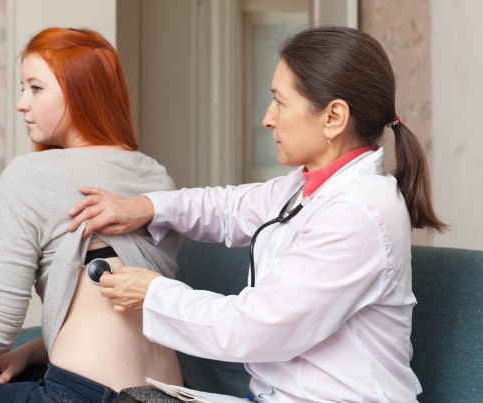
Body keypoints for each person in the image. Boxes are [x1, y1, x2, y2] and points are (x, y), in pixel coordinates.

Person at [68, 25, 446, 402]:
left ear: (333, 117)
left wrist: (151, 293)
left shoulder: (358, 213)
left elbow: (253, 328)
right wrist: (146, 207)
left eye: (280, 102)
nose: (268, 118)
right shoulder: (304, 185)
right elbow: (229, 208)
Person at [0, 27, 183, 403]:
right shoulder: (157, 176)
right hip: (167, 395)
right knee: (9, 370)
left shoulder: (31, 174)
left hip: (87, 397)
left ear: (81, 92)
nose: (21, 103)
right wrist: (28, 353)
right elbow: (108, 319)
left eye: (36, 88)